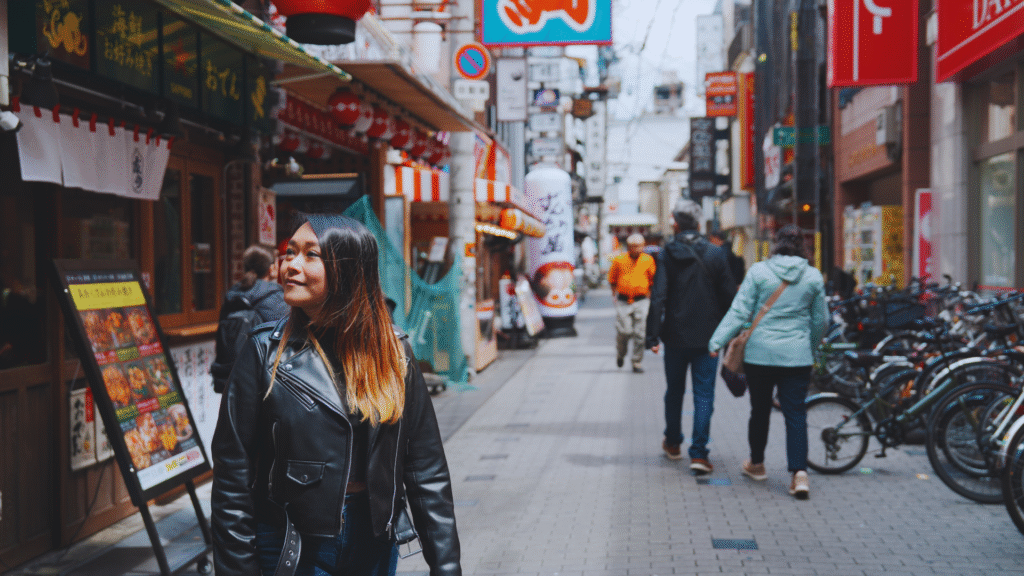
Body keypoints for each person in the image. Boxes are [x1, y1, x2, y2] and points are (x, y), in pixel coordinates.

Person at [211, 214, 461, 576]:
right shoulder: (263, 351)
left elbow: (425, 469)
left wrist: (447, 565)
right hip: (289, 541)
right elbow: (232, 477)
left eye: (310, 255)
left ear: (347, 271)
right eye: (289, 253)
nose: (290, 266)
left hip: (374, 539)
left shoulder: (393, 352)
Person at [707, 225, 828, 499]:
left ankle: (757, 464)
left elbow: (739, 311)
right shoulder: (812, 276)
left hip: (760, 355)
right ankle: (799, 474)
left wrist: (716, 341)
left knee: (759, 410)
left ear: (776, 245)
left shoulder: (760, 272)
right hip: (797, 356)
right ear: (802, 248)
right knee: (795, 413)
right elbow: (822, 320)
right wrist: (808, 348)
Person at [646, 200, 737, 474]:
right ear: (699, 224)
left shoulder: (666, 254)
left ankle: (673, 443)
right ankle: (699, 454)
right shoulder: (715, 254)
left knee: (674, 391)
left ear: (675, 222)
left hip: (674, 336)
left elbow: (658, 296)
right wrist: (727, 334)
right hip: (708, 338)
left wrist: (651, 337)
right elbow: (730, 297)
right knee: (704, 395)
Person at [210, 245, 291, 393]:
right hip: (267, 381)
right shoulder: (275, 297)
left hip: (233, 378)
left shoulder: (232, 295)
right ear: (272, 268)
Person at [607, 234, 656, 373]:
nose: (636, 249)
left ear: (643, 246)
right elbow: (612, 279)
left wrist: (651, 296)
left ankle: (636, 362)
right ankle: (620, 354)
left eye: (639, 246)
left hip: (641, 300)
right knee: (624, 331)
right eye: (633, 246)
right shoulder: (619, 260)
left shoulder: (648, 260)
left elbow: (653, 279)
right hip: (623, 300)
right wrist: (613, 295)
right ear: (628, 247)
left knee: (640, 333)